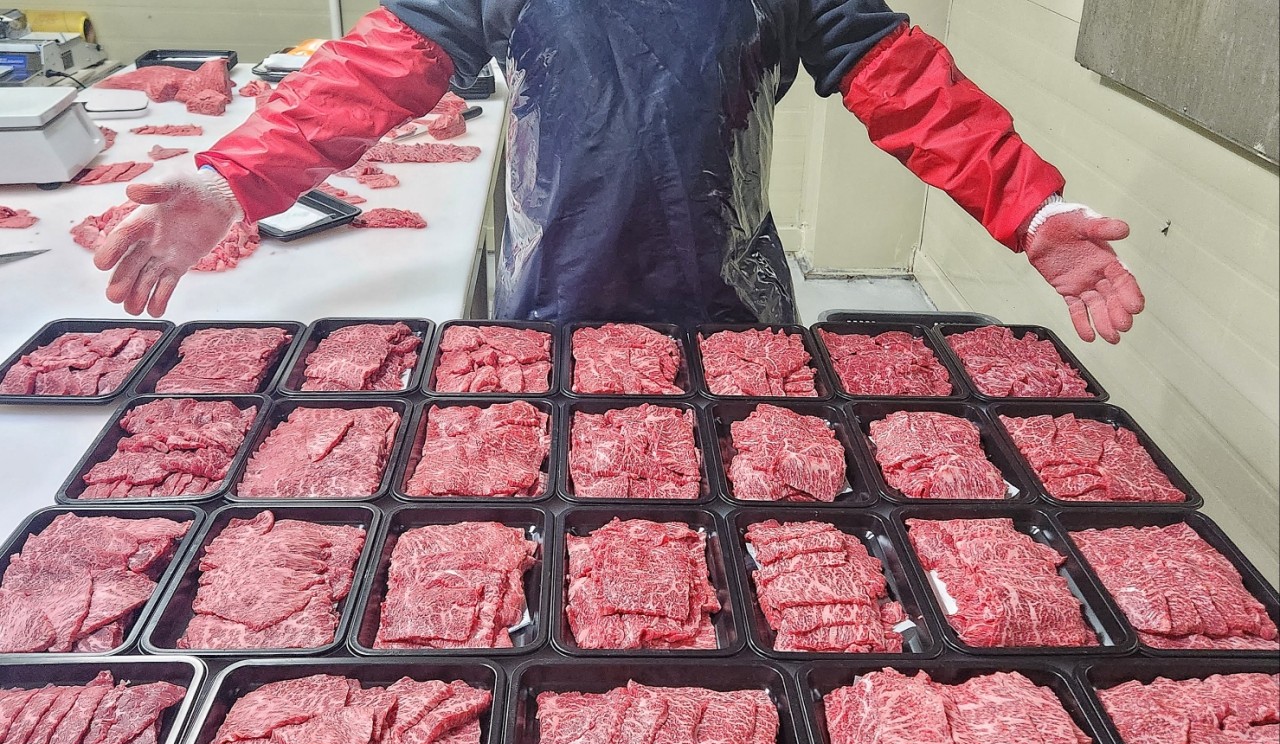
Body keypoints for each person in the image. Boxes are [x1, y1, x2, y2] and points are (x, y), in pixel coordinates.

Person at [96, 1, 1144, 343]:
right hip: (554, 290)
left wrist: (1030, 204)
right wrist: (234, 178)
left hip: (730, 303)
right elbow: (375, 67)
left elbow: (899, 76)